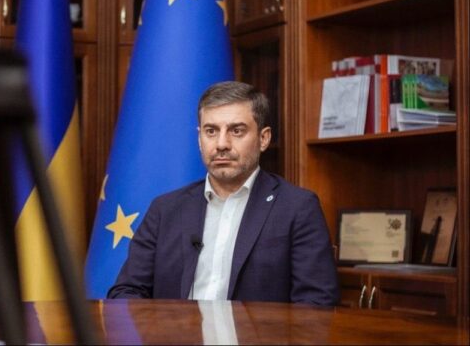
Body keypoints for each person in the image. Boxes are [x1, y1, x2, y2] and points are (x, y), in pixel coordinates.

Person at [108, 81, 339, 306]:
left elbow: (316, 304)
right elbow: (126, 291)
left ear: (264, 138)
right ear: (199, 139)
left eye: (236, 131)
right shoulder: (165, 209)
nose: (221, 144)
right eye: (211, 131)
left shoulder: (297, 207)